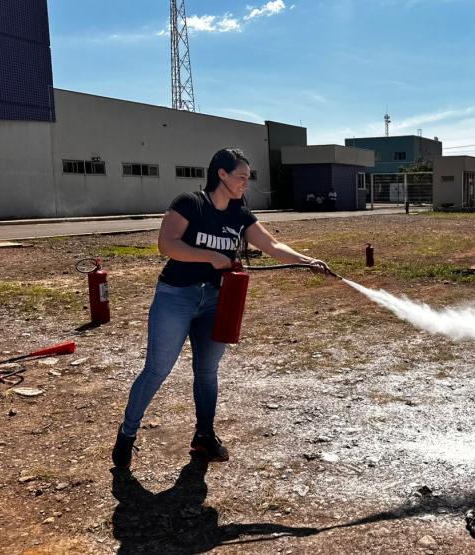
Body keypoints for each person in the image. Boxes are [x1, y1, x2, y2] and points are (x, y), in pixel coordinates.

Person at [112, 147, 334, 469]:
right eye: (241, 177)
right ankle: (127, 434)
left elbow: (271, 245)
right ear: (222, 175)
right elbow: (167, 244)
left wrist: (306, 261)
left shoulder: (239, 215)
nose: (246, 183)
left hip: (215, 300)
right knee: (157, 369)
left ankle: (203, 436)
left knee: (207, 371)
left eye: (247, 177)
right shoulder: (190, 203)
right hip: (176, 296)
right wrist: (210, 256)